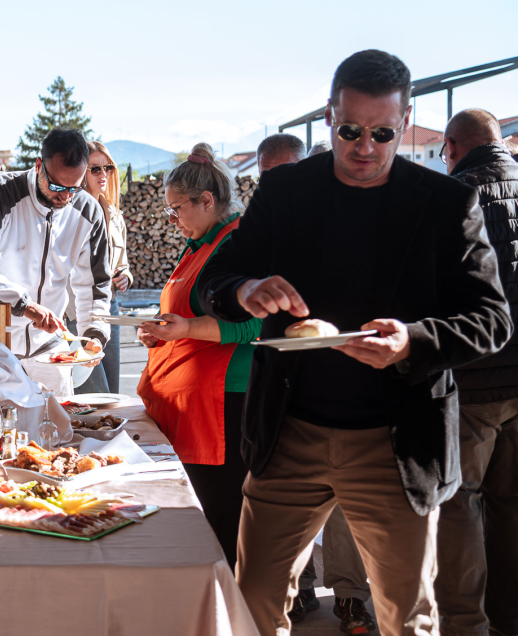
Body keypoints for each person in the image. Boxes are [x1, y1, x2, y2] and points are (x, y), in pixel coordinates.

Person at [196, 49, 512, 636]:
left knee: (406, 616)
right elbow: (215, 280)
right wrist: (245, 289)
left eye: (383, 132)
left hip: (394, 444)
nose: (364, 146)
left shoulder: (446, 203)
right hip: (289, 433)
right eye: (350, 130)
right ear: (328, 116)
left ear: (406, 119)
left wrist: (413, 341)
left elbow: (492, 319)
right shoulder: (284, 191)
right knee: (252, 604)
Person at [257, 133, 376, 631]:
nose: (280, 182)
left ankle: (350, 595)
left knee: (348, 508)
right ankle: (300, 594)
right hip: (285, 396)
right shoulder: (263, 222)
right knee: (287, 515)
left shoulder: (346, 213)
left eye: (287, 170)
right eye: (270, 175)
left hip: (349, 387)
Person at [135, 143, 260, 569]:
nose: (172, 221)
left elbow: (253, 327)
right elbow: (185, 314)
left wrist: (185, 330)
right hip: (189, 402)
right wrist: (161, 335)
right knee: (198, 515)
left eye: (176, 210)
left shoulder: (237, 244)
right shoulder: (201, 241)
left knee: (223, 520)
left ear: (207, 201)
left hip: (223, 404)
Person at [436, 108, 518, 636]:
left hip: (476, 380)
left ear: (451, 146)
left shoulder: (452, 200)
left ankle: (465, 623)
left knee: (460, 505)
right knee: (512, 506)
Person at [0, 127, 110, 394]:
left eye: (75, 187)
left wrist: (93, 333)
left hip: (48, 343)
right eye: (58, 186)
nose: (65, 197)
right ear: (39, 166)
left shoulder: (88, 212)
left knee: (60, 425)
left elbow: (94, 283)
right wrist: (23, 304)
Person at [65, 141, 131, 394]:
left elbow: (122, 262)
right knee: (94, 393)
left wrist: (126, 276)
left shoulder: (114, 214)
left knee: (111, 393)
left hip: (109, 308)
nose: (103, 175)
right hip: (76, 313)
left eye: (109, 168)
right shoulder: (67, 213)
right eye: (95, 169)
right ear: (81, 171)